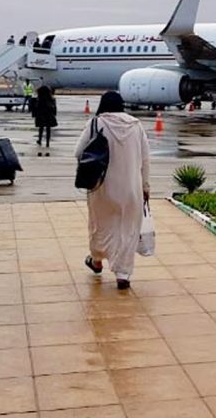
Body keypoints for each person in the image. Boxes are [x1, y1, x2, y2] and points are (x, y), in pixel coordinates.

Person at [75, 91, 150, 290]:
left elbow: (78, 152)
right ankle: (123, 274)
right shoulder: (136, 126)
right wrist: (145, 186)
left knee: (101, 226)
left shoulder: (96, 124)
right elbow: (145, 159)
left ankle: (97, 260)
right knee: (128, 230)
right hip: (131, 189)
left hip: (102, 187)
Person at [33, 85, 57, 150]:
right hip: (49, 116)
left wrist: (35, 115)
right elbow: (54, 108)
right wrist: (54, 115)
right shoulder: (51, 99)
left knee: (41, 129)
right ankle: (47, 142)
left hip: (41, 116)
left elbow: (36, 108)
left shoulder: (39, 99)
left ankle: (40, 140)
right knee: (48, 129)